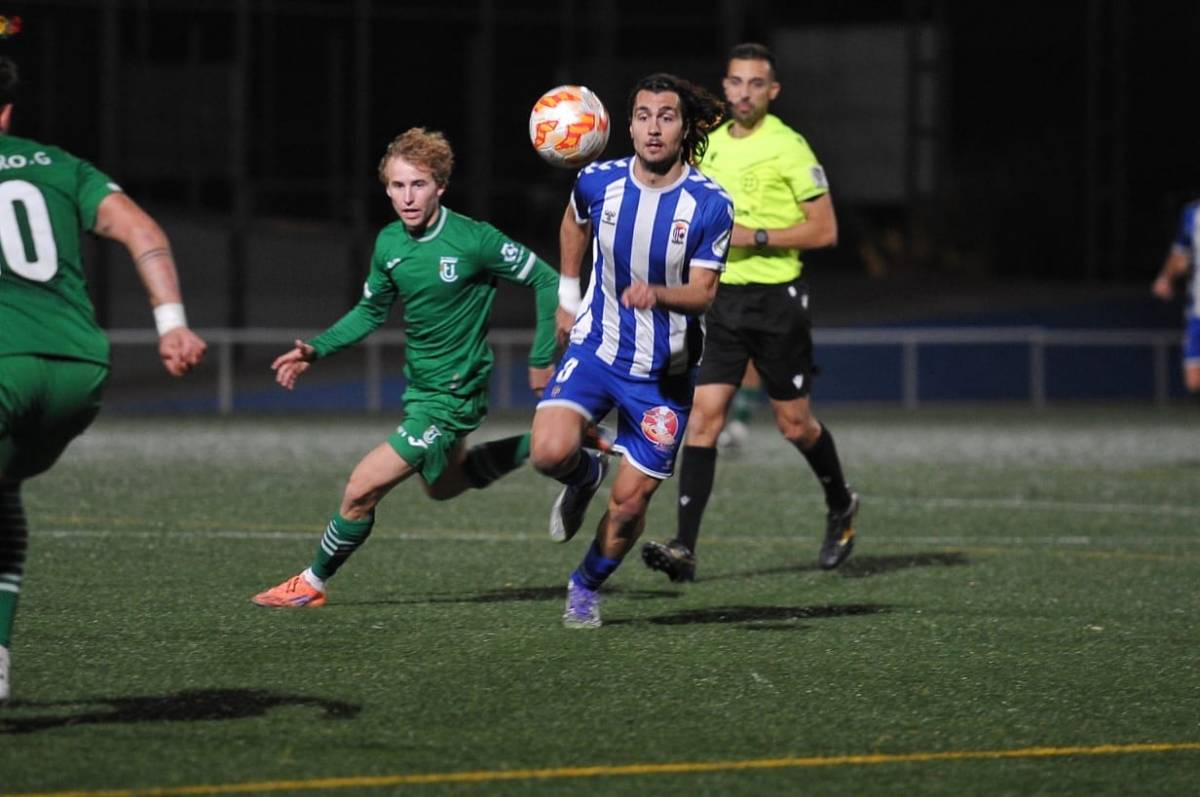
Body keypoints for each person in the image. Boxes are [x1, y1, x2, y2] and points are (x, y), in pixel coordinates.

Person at [252, 127, 562, 608]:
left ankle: (311, 584)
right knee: (445, 485)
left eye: (418, 184)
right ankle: (545, 445)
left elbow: (546, 279)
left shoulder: (473, 239)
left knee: (360, 489)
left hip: (452, 395)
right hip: (420, 388)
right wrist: (316, 349)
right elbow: (370, 312)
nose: (407, 197)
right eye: (397, 186)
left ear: (440, 185)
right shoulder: (389, 243)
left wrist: (542, 356)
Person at [0, 57, 208, 701]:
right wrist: (172, 324)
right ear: (8, 111)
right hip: (78, 372)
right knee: (3, 493)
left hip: (4, 363)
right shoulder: (61, 166)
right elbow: (142, 229)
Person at [641, 43, 859, 584]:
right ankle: (684, 549)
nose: (743, 93)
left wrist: (753, 236)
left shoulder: (790, 148)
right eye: (735, 82)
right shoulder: (709, 145)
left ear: (772, 91)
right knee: (704, 418)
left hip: (777, 300)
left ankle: (840, 503)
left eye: (755, 84)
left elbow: (826, 230)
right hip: (721, 300)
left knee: (794, 425)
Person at [531, 73, 732, 629]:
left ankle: (584, 586)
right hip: (597, 348)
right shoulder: (599, 181)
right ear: (628, 124)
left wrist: (658, 293)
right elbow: (574, 221)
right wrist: (568, 296)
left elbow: (704, 293)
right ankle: (581, 475)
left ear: (684, 127)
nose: (653, 127)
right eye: (643, 115)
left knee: (628, 507)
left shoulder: (710, 203)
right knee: (548, 452)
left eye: (666, 116)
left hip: (663, 378)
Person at [1150, 199, 1200, 395]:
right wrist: (1166, 277)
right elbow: (1180, 252)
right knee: (1193, 380)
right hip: (1197, 307)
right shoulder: (1192, 213)